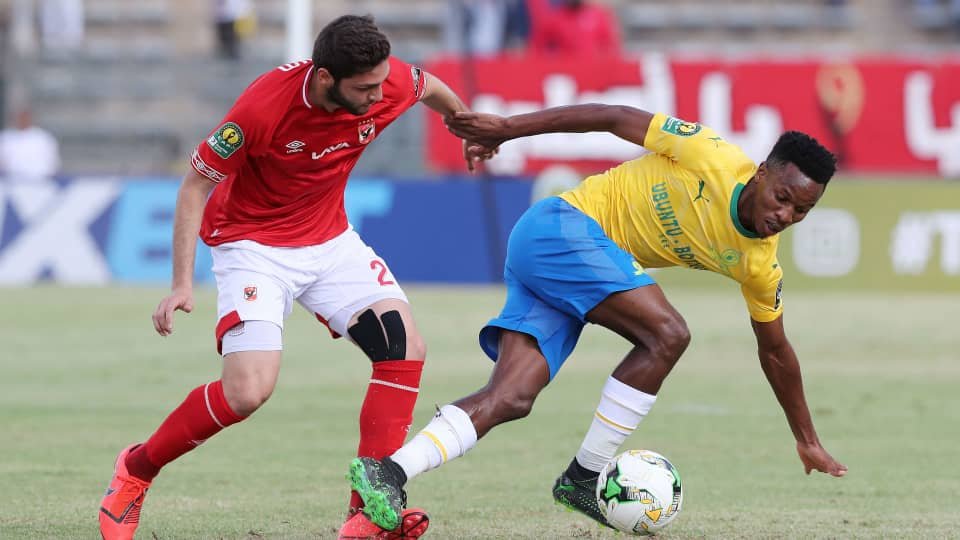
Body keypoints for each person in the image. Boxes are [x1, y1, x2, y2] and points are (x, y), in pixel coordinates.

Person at [347, 104, 848, 532]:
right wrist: (506, 129)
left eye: (800, 211)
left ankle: (388, 472)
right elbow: (610, 117)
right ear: (760, 174)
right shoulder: (709, 153)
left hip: (569, 269)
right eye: (783, 198)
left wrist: (806, 439)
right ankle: (585, 476)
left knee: (511, 397)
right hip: (560, 228)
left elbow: (775, 351)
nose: (785, 216)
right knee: (668, 334)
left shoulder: (760, 264)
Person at [97, 15, 485, 540]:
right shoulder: (262, 109)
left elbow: (428, 86)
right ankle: (136, 470)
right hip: (253, 246)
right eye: (364, 89)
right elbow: (194, 187)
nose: (377, 96)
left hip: (329, 241)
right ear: (325, 78)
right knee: (248, 392)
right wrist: (181, 284)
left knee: (403, 345)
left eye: (380, 83)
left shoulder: (383, 79)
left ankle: (367, 515)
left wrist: (464, 125)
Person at [528, 0, 620, 57]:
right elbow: (538, 48)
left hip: (593, 70)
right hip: (566, 72)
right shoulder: (553, 18)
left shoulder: (599, 16)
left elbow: (610, 46)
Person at [0, 106, 61, 180]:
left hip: (40, 181)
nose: (22, 120)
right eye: (19, 117)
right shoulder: (5, 138)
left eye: (25, 117)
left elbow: (53, 163)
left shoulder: (43, 138)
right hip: (11, 181)